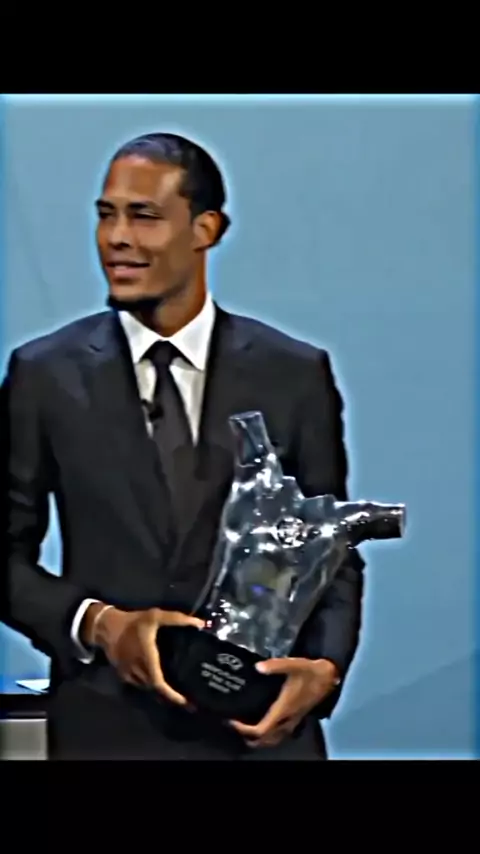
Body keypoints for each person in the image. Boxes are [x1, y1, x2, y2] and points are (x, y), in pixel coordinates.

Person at [1, 132, 364, 760]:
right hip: (107, 738)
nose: (117, 238)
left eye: (143, 216)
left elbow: (328, 548)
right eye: (107, 215)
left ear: (206, 229)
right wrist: (99, 624)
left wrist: (325, 669)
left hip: (264, 737)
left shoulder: (294, 374)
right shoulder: (44, 375)